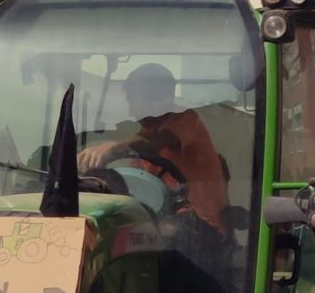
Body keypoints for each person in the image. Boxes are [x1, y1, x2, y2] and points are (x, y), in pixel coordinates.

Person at [77, 63, 230, 233]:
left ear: (154, 98)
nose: (131, 110)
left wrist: (115, 147)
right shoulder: (146, 133)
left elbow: (160, 140)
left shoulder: (186, 119)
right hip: (164, 220)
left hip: (201, 227)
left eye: (132, 101)